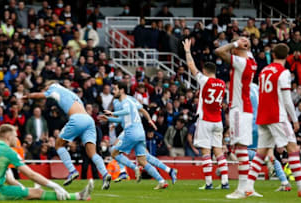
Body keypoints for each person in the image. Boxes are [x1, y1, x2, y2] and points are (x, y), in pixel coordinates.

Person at [245, 43, 301, 198]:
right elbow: (287, 100)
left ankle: (248, 187)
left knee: (261, 152)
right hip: (277, 116)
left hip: (263, 115)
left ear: (273, 55)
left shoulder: (264, 71)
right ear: (287, 57)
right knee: (293, 148)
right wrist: (294, 119)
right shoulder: (283, 72)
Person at [23, 81, 111, 189]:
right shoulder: (70, 93)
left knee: (58, 145)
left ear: (50, 85)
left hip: (77, 118)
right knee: (92, 153)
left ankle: (72, 170)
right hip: (89, 120)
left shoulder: (53, 89)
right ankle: (105, 174)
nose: (45, 89)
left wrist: (28, 96)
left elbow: (40, 95)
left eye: (45, 87)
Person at [0, 124, 93, 200]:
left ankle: (79, 196)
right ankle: (78, 197)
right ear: (8, 138)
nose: (17, 138)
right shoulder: (7, 151)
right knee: (38, 192)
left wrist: (24, 192)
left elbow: (9, 179)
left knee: (30, 193)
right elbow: (31, 174)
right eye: (15, 136)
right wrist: (55, 186)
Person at [98, 82, 168, 189]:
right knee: (142, 160)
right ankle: (161, 180)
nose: (113, 92)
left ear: (121, 90)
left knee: (114, 152)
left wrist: (112, 113)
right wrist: (109, 119)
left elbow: (125, 111)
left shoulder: (125, 101)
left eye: (115, 89)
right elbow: (122, 118)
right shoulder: (130, 101)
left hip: (131, 133)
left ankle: (133, 168)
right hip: (140, 133)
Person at [183, 38, 229, 190]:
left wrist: (187, 51)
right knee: (219, 151)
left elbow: (191, 65)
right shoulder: (222, 84)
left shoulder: (204, 81)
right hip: (218, 121)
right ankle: (224, 182)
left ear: (205, 71)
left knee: (206, 151)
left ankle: (209, 183)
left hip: (206, 120)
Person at [215, 37, 257, 199]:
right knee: (242, 148)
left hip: (239, 109)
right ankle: (248, 187)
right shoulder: (251, 60)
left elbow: (218, 51)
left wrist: (234, 43)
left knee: (240, 149)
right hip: (245, 108)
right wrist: (244, 43)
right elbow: (247, 49)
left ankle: (241, 189)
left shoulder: (241, 62)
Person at [107, 96, 177, 184]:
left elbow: (122, 116)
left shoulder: (122, 101)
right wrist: (149, 120)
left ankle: (125, 171)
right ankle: (167, 173)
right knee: (144, 158)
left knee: (115, 150)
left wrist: (111, 117)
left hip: (130, 130)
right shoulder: (131, 100)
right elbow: (141, 110)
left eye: (116, 88)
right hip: (139, 130)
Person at [248, 83, 292, 192]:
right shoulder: (258, 88)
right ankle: (285, 182)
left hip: (250, 125)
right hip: (265, 122)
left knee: (241, 151)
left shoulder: (243, 88)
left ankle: (245, 186)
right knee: (269, 153)